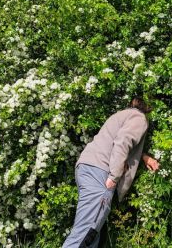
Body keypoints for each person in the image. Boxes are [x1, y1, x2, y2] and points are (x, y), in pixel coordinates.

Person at [62, 97, 160, 248]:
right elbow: (122, 142)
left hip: (88, 167)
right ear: (147, 108)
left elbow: (119, 141)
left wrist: (144, 157)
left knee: (92, 234)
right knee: (85, 234)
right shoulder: (139, 118)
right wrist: (114, 177)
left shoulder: (120, 115)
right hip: (100, 172)